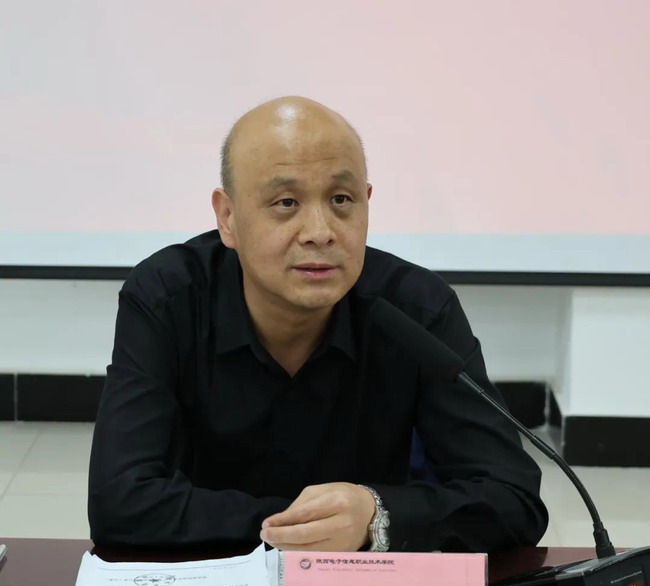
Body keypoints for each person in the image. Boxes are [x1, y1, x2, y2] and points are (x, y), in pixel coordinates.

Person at [88, 96, 548, 553]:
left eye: (341, 200)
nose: (320, 232)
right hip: (210, 580)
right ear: (227, 218)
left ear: (367, 204)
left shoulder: (417, 309)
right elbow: (119, 504)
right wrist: (314, 529)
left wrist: (377, 517)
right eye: (286, 202)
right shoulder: (169, 297)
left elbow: (514, 499)